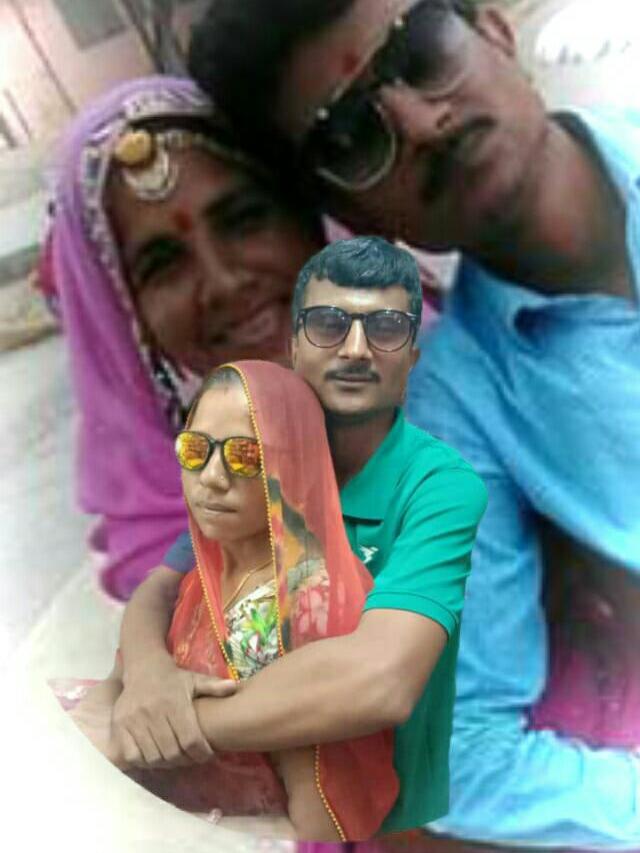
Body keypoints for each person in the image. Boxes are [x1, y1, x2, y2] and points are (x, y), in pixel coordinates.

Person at [185, 0, 640, 847]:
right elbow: (460, 752)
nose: (423, 125)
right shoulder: (460, 423)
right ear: (350, 215)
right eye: (353, 135)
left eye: (421, 49)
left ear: (493, 27)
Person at [107, 236, 487, 836]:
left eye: (385, 329)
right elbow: (161, 586)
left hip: (416, 808)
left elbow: (379, 682)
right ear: (294, 345)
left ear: (412, 354)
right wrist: (151, 672)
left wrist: (171, 724)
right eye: (329, 325)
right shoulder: (259, 454)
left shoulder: (437, 485)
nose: (355, 349)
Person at [66, 360, 399, 841]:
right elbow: (155, 591)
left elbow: (321, 811)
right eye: (195, 449)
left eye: (245, 456)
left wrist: (150, 735)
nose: (212, 476)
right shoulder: (217, 542)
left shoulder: (304, 608)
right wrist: (148, 671)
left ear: (296, 464)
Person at [50, 75, 323, 601]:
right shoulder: (171, 568)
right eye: (163, 264)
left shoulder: (457, 382)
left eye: (244, 220)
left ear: (303, 216)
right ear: (128, 324)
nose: (223, 282)